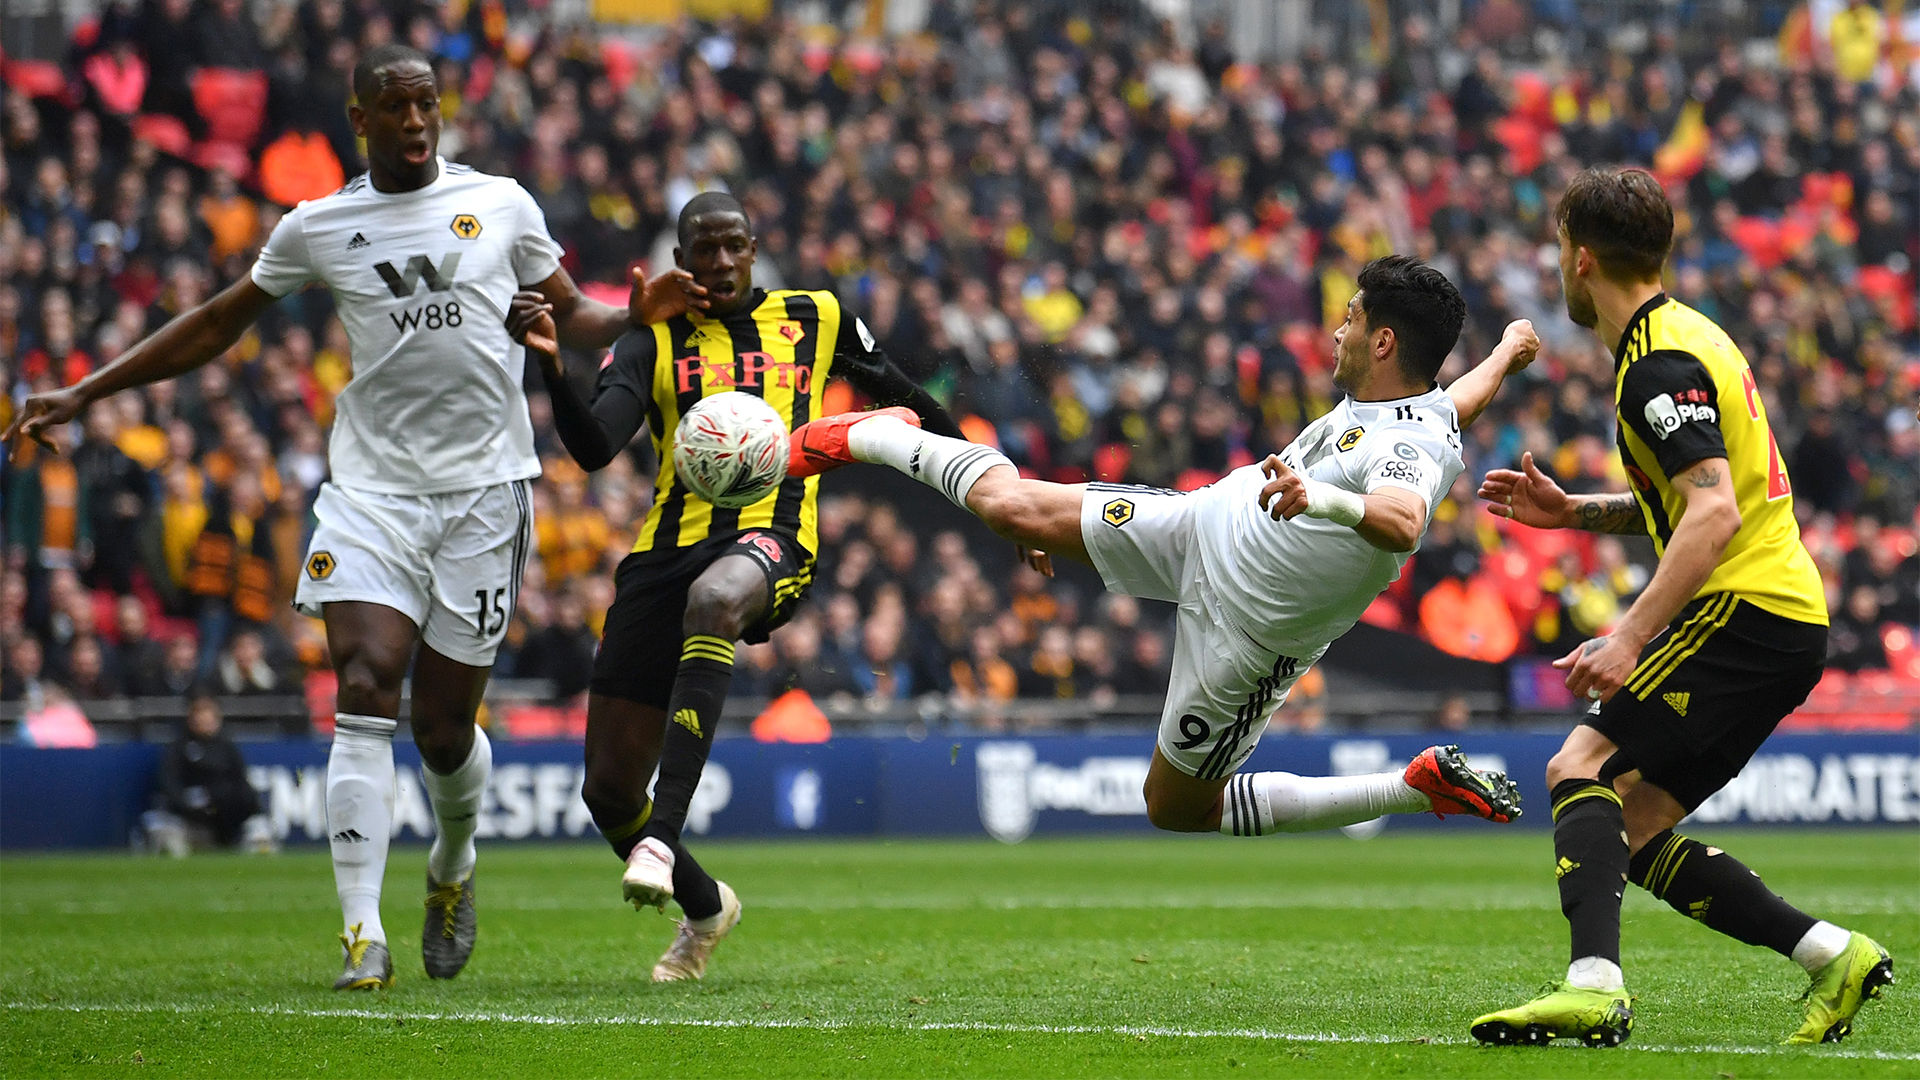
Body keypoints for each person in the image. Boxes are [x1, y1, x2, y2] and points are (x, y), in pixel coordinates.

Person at [4, 44, 676, 991]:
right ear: (359, 120)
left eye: (427, 105)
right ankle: (362, 933)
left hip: (485, 496)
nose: (414, 121)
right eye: (394, 108)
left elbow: (578, 314)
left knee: (445, 734)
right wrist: (88, 389)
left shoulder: (506, 204)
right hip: (371, 495)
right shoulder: (321, 226)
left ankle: (452, 863)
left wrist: (642, 314)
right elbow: (217, 322)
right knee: (363, 683)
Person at [790, 254, 1535, 839]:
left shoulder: (1411, 442)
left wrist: (1325, 497)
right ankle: (877, 434)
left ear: (1383, 341)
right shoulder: (1426, 409)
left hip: (1245, 639)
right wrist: (1506, 350)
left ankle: (1407, 790)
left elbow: (1402, 520)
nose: (1335, 333)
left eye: (1349, 320)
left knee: (1175, 807)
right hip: (1207, 523)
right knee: (1012, 510)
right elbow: (1457, 400)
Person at [1471, 168, 1890, 1047]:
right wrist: (1573, 512)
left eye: (1558, 252)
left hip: (1747, 607)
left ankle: (1593, 986)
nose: (1558, 268)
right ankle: (1832, 955)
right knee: (1631, 821)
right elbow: (1696, 494)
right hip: (1784, 619)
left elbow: (1712, 513)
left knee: (1576, 763)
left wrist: (1628, 635)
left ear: (1580, 260)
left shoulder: (1655, 363)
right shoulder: (1692, 336)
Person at [512, 191, 965, 984]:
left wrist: (1005, 502)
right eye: (702, 251)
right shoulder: (654, 339)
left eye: (732, 248)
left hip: (773, 538)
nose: (719, 264)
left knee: (718, 601)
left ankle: (668, 832)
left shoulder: (813, 317)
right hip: (662, 555)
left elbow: (914, 405)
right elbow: (593, 448)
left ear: (754, 248)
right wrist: (552, 363)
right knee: (611, 793)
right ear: (681, 259)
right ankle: (704, 904)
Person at [142, 691, 274, 856]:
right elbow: (168, 784)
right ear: (191, 718)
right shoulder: (179, 748)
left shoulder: (227, 748)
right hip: (190, 821)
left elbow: (242, 785)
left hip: (225, 821)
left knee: (259, 830)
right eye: (199, 715)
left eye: (208, 715)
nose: (204, 720)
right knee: (169, 836)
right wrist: (188, 805)